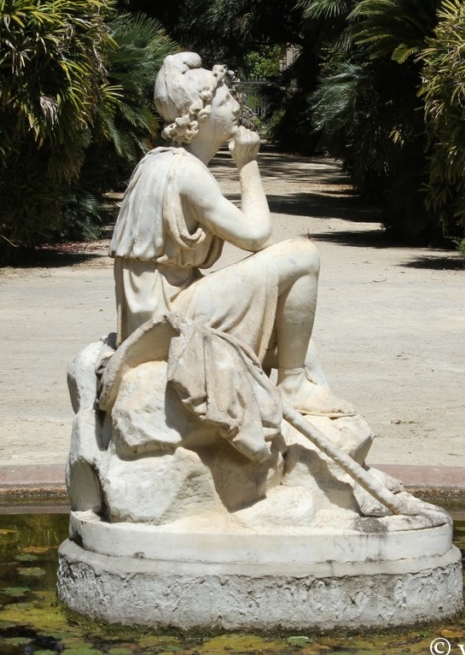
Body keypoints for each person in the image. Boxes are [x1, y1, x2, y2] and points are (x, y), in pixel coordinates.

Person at [109, 52, 353, 418]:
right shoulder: (187, 173)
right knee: (302, 256)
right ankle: (292, 387)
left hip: (156, 311)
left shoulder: (157, 161)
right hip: (169, 321)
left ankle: (300, 383)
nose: (238, 105)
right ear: (201, 116)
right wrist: (248, 165)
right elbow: (257, 236)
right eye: (225, 99)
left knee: (288, 331)